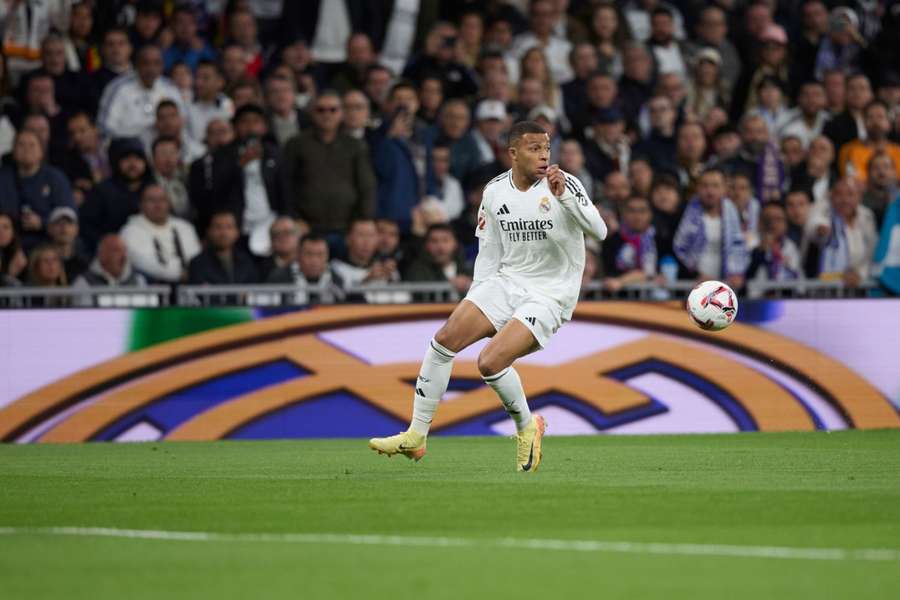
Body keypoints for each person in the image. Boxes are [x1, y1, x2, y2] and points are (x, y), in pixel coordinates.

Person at [369, 121, 608, 472]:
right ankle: (416, 436)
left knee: (489, 362)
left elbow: (599, 231)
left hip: (550, 292)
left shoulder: (564, 184)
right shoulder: (495, 191)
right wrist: (476, 299)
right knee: (443, 340)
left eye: (546, 148)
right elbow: (490, 254)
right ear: (513, 153)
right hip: (505, 282)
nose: (543, 155)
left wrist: (566, 198)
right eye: (533, 148)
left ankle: (528, 426)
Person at [282, 91, 376, 238]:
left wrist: (363, 219)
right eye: (321, 110)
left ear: (341, 113)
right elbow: (286, 184)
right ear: (312, 113)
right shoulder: (296, 144)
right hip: (306, 228)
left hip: (347, 228)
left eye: (333, 110)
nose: (327, 114)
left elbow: (366, 185)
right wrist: (294, 217)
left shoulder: (355, 146)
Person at [194, 104, 284, 254]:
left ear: (264, 126)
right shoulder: (222, 154)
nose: (250, 127)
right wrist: (239, 165)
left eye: (256, 121)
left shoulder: (274, 153)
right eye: (245, 122)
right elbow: (217, 192)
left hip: (271, 225)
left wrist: (288, 217)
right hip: (236, 227)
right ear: (235, 127)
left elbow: (285, 190)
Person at [673, 168, 749, 290]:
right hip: (694, 283)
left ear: (724, 189)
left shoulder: (732, 213)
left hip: (726, 283)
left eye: (715, 186)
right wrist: (696, 275)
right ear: (697, 188)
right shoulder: (685, 213)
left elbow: (738, 245)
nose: (710, 191)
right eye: (705, 186)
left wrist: (736, 272)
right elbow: (680, 249)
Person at [0, 130, 74, 251]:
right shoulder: (3, 178)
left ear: (41, 152)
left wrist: (42, 223)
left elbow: (69, 218)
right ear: (13, 151)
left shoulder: (55, 178)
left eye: (32, 145)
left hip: (48, 244)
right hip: (9, 245)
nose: (26, 149)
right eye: (21, 144)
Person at [79, 137, 154, 253]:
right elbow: (87, 226)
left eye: (138, 158)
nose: (133, 164)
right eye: (127, 159)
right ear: (117, 162)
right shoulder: (102, 191)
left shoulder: (153, 189)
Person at [97, 44, 187, 139]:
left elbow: (183, 122)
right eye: (146, 63)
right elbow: (105, 129)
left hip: (166, 148)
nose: (151, 69)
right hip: (129, 147)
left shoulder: (170, 88)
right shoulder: (118, 88)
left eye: (156, 63)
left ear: (162, 66)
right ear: (136, 65)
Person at [120, 184, 201, 283]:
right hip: (151, 288)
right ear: (140, 204)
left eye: (162, 200)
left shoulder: (185, 227)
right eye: (151, 200)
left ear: (169, 204)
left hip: (188, 287)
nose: (158, 205)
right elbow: (144, 263)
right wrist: (180, 275)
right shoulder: (130, 231)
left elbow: (196, 258)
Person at [72, 234, 152, 307]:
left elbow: (145, 312)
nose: (123, 256)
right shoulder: (84, 283)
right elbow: (84, 317)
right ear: (102, 255)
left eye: (124, 250)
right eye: (116, 250)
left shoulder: (138, 280)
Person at [601, 196, 662, 292]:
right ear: (624, 214)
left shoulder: (659, 239)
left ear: (650, 214)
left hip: (653, 301)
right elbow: (610, 276)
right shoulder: (612, 240)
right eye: (632, 211)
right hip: (617, 301)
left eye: (642, 211)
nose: (637, 216)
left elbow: (655, 274)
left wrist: (621, 281)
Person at [266, 233, 346, 305]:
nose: (314, 260)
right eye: (309, 254)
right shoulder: (279, 278)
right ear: (298, 254)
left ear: (327, 256)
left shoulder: (336, 279)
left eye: (320, 254)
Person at [188, 210, 260, 285]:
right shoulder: (197, 263)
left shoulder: (247, 262)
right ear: (209, 231)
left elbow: (254, 290)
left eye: (229, 227)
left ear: (237, 232)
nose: (223, 233)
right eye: (218, 227)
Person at [837, 101, 900, 183]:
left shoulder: (898, 151)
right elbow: (850, 182)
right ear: (863, 123)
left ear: (889, 123)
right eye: (870, 117)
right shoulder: (848, 150)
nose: (875, 122)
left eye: (880, 117)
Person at [404, 223, 473, 297]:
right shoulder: (417, 269)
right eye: (434, 241)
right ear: (426, 245)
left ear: (455, 243)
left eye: (445, 240)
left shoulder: (469, 267)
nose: (440, 246)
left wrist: (470, 283)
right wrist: (450, 284)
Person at [746, 202, 802, 289]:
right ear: (759, 222)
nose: (772, 224)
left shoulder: (791, 247)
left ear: (786, 223)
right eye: (768, 219)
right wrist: (761, 251)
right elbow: (746, 278)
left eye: (778, 219)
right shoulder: (749, 243)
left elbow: (796, 278)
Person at [47, 207, 88, 283]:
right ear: (49, 228)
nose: (64, 227)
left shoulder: (84, 264)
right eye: (58, 223)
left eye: (69, 222)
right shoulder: (43, 263)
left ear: (77, 229)